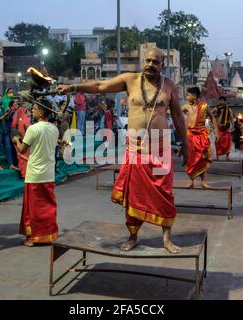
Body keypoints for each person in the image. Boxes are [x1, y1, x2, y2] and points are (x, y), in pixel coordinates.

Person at [57, 48, 188, 254]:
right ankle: (133, 236)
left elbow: (179, 117)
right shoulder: (130, 80)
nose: (151, 64)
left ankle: (167, 238)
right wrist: (74, 86)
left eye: (156, 62)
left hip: (160, 146)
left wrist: (186, 145)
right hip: (135, 146)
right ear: (143, 62)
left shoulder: (169, 86)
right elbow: (101, 85)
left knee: (164, 192)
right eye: (148, 60)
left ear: (163, 65)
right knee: (134, 193)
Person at [13, 99, 60, 247]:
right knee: (48, 206)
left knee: (33, 209)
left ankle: (33, 238)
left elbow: (22, 150)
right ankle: (48, 235)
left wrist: (16, 141)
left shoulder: (33, 129)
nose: (32, 111)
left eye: (34, 109)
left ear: (41, 112)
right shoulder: (54, 129)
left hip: (34, 174)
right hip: (48, 173)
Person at [183, 87, 219, 189]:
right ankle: (192, 181)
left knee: (204, 158)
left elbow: (212, 118)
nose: (186, 97)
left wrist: (216, 132)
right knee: (192, 159)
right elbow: (174, 111)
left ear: (194, 96)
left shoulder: (204, 106)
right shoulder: (186, 107)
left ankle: (203, 181)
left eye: (188, 95)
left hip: (202, 135)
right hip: (191, 136)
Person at [212, 96, 234, 161]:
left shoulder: (228, 109)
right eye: (220, 100)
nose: (220, 101)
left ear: (225, 101)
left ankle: (228, 156)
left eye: (222, 100)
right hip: (218, 128)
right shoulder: (216, 109)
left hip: (226, 128)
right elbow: (210, 113)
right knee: (217, 142)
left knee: (228, 142)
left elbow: (231, 118)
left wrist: (232, 126)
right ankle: (217, 156)